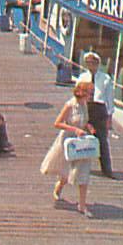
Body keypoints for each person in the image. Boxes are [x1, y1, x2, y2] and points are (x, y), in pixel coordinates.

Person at [41, 81, 97, 217]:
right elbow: (57, 123)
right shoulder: (70, 105)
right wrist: (75, 129)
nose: (91, 96)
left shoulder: (85, 105)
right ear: (82, 93)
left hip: (81, 141)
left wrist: (88, 126)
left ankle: (82, 205)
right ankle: (60, 185)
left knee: (83, 173)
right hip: (68, 140)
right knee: (65, 171)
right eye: (90, 93)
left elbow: (83, 120)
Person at [76, 52, 115, 178]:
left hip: (99, 109)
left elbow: (109, 99)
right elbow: (77, 95)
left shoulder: (105, 79)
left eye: (93, 63)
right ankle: (80, 167)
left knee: (102, 140)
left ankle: (107, 169)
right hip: (86, 107)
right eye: (88, 63)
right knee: (82, 138)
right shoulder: (82, 77)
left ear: (98, 64)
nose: (91, 65)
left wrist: (109, 117)